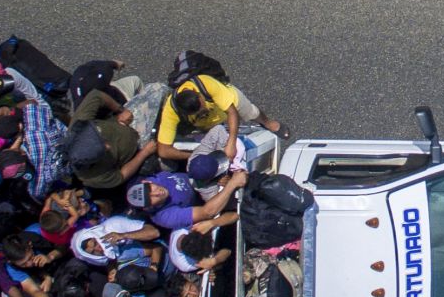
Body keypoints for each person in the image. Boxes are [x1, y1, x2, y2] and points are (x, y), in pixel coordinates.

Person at [155, 74, 289, 162]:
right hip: (207, 124)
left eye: (203, 105)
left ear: (197, 93)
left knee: (252, 112)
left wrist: (231, 143)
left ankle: (268, 123)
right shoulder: (171, 111)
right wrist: (195, 156)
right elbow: (164, 151)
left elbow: (232, 112)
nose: (204, 109)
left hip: (230, 102)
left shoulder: (205, 84)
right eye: (198, 111)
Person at [67, 89, 158, 189]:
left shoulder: (79, 126)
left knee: (157, 89)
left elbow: (96, 95)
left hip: (129, 121)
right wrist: (144, 153)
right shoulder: (94, 177)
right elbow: (122, 176)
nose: (108, 146)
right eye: (103, 150)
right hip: (141, 148)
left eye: (101, 141)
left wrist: (120, 110)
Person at [125, 170, 246, 231]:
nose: (157, 192)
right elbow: (207, 212)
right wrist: (233, 184)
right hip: (205, 198)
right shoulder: (166, 217)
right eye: (151, 198)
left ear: (147, 182)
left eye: (150, 188)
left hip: (198, 177)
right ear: (147, 208)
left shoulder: (153, 179)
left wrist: (213, 177)